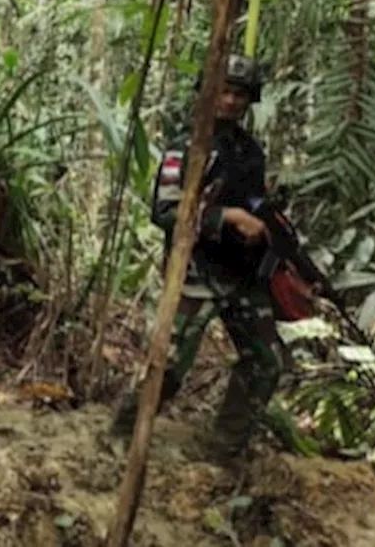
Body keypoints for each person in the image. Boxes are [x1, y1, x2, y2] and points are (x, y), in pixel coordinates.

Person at [109, 55, 286, 464]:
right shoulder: (186, 146)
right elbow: (164, 210)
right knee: (169, 366)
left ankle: (223, 448)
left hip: (241, 274)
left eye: (238, 94)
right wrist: (225, 218)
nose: (228, 101)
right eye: (222, 91)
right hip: (197, 271)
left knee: (267, 362)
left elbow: (256, 205)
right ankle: (123, 430)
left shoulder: (249, 152)